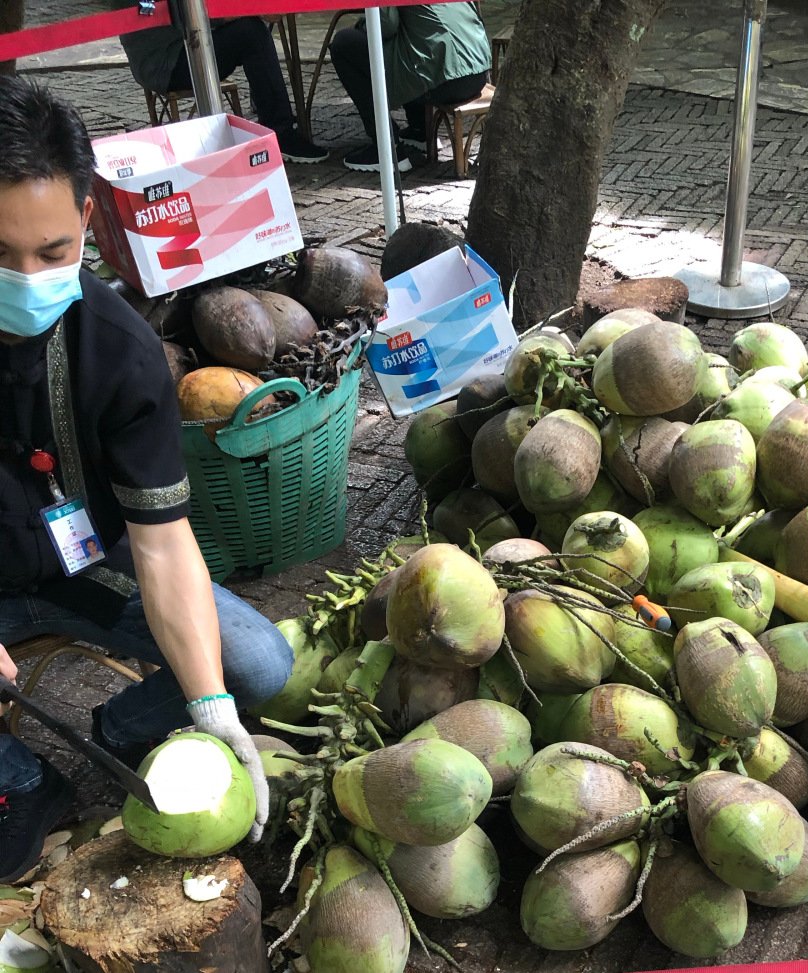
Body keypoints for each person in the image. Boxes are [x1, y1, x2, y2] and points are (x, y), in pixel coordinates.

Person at [0, 77, 294, 885]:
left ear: (87, 224)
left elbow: (163, 546)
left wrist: (210, 708)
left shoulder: (119, 349)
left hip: (92, 567)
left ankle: (129, 728)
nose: (26, 278)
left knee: (257, 667)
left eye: (52, 252)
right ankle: (22, 781)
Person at [118, 12, 327, 164]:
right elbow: (188, 13)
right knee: (250, 33)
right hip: (168, 61)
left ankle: (273, 115)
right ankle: (281, 133)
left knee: (250, 28)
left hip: (173, 50)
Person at [330, 3, 491, 173]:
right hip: (478, 72)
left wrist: (361, 24)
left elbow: (385, 24)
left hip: (446, 79)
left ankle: (387, 148)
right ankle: (420, 129)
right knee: (414, 32)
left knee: (344, 43)